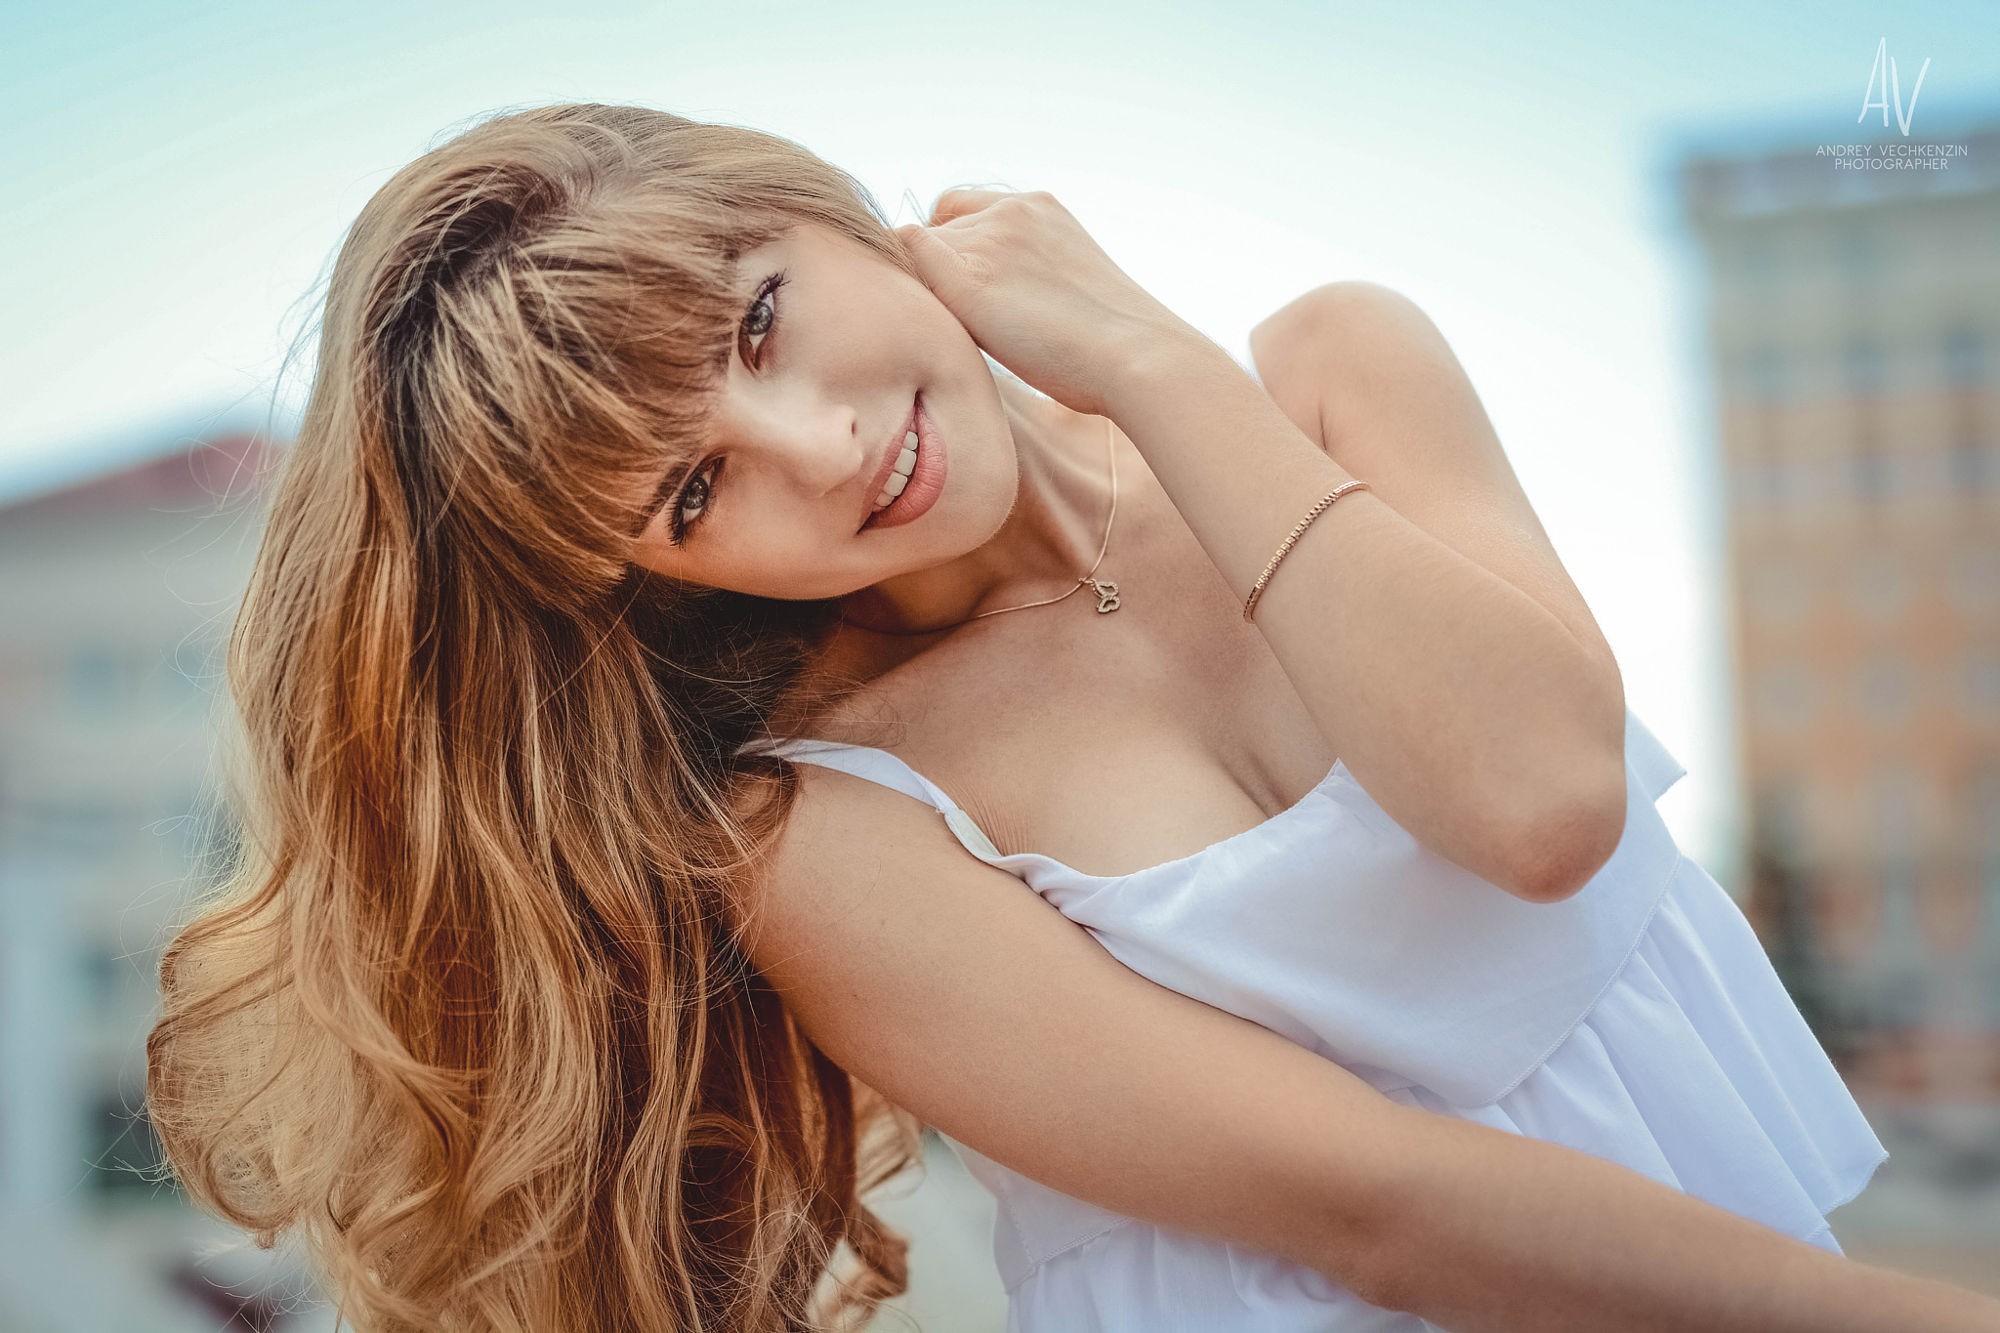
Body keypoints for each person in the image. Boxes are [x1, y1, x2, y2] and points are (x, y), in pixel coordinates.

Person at [144, 102, 1997, 1332]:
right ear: (662, 581)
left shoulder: (1335, 373)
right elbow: (1377, 1202)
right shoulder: (827, 825)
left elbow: (1536, 801)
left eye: (765, 322)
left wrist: (1139, 355)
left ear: (851, 220)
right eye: (695, 494)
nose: (823, 449)